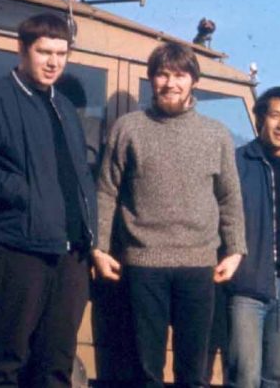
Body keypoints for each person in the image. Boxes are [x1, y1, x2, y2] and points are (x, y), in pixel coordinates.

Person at [0, 13, 97, 387]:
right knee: (6, 362)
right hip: (19, 249)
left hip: (71, 255)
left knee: (56, 363)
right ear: (22, 49)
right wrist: (21, 192)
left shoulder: (64, 106)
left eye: (61, 53)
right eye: (44, 51)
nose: (53, 62)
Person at [93, 41, 247, 388]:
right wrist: (99, 249)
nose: (170, 83)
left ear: (194, 81)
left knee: (193, 372)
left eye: (180, 75)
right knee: (144, 371)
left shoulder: (216, 135)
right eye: (163, 74)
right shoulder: (128, 128)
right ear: (151, 79)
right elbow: (106, 191)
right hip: (142, 264)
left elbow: (229, 196)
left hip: (198, 266)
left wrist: (235, 250)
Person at [226, 87, 280, 388]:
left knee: (277, 377)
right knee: (244, 377)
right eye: (275, 115)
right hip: (247, 284)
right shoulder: (237, 162)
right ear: (260, 117)